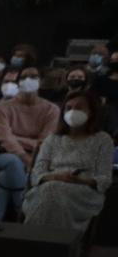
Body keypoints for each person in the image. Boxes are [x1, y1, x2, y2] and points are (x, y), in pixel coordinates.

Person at [21, 92, 112, 232]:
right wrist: (57, 177)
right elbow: (37, 173)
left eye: (79, 107)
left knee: (55, 192)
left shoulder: (103, 140)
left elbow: (105, 179)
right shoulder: (52, 139)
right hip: (48, 186)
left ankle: (57, 244)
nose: (73, 111)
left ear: (91, 112)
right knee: (51, 190)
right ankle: (37, 242)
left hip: (83, 193)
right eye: (68, 108)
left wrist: (80, 180)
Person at [0, 72, 61, 222]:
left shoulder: (51, 109)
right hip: (2, 154)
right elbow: (4, 138)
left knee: (6, 175)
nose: (28, 81)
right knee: (13, 162)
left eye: (33, 77)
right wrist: (26, 158)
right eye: (24, 77)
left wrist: (17, 138)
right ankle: (25, 211)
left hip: (37, 156)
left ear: (41, 81)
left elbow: (43, 142)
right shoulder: (4, 106)